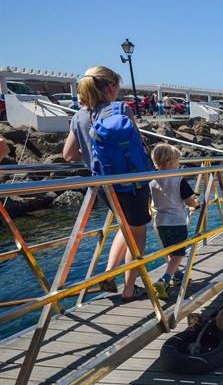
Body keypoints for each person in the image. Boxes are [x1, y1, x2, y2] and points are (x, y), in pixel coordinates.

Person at [63, 66, 153, 302]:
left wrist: (93, 152)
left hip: (103, 184)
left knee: (125, 227)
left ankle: (108, 273)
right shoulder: (121, 109)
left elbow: (68, 155)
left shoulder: (78, 116)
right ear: (110, 87)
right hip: (131, 182)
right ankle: (129, 289)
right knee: (138, 234)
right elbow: (138, 145)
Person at [149, 143, 200, 299]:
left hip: (160, 222)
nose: (179, 165)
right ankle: (164, 279)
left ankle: (176, 275)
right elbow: (189, 201)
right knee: (178, 254)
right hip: (176, 221)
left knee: (169, 250)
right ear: (171, 163)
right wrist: (196, 204)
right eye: (178, 162)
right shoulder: (178, 179)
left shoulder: (151, 179)